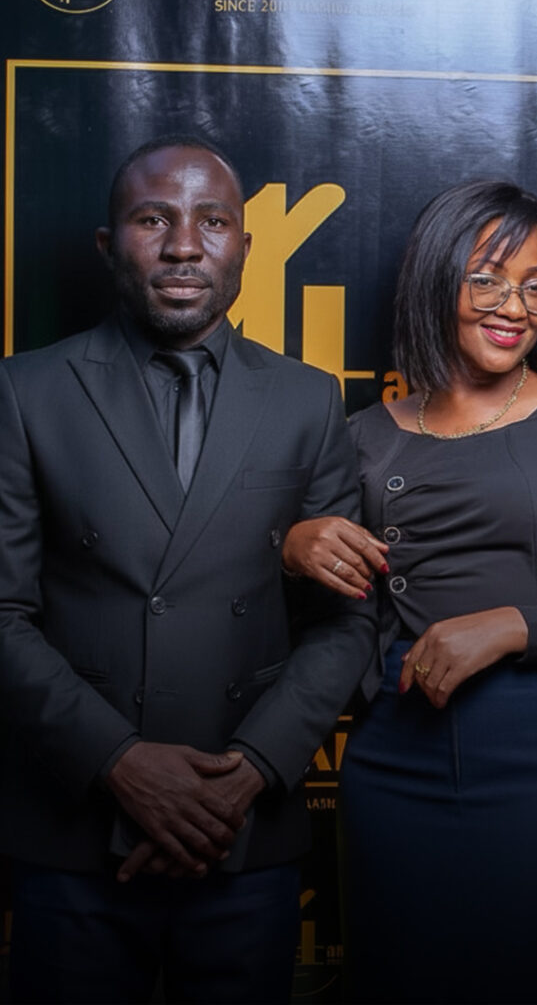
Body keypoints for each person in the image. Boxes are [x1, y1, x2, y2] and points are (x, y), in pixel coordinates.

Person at [283, 179, 537, 1003]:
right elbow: (310, 624)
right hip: (393, 747)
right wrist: (293, 550)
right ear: (436, 278)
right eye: (487, 279)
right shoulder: (361, 437)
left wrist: (511, 627)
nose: (516, 307)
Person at [0, 136, 376, 1003]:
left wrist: (250, 769)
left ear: (244, 244)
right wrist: (119, 762)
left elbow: (347, 617)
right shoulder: (26, 392)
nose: (182, 246)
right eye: (152, 220)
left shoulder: (307, 398)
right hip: (77, 832)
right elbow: (3, 614)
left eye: (212, 222)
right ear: (109, 245)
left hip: (242, 832)